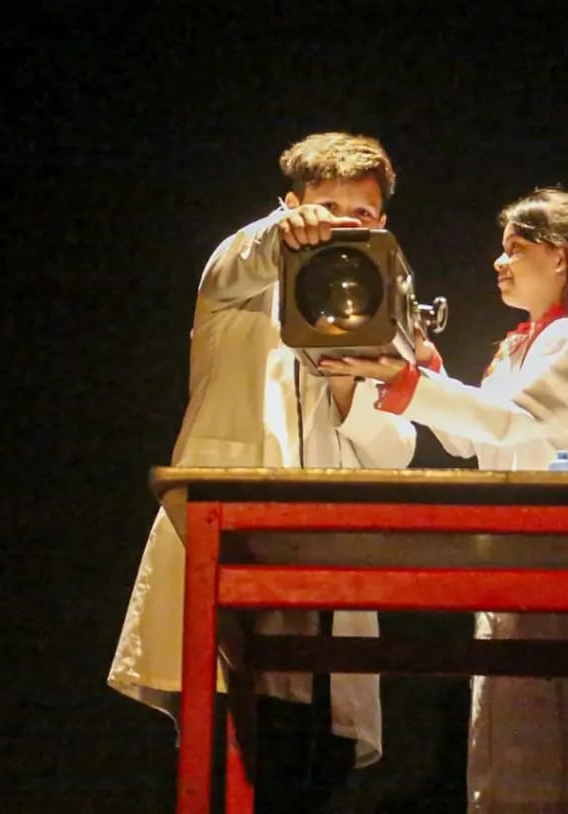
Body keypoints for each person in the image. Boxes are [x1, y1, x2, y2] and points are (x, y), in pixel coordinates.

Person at [107, 132, 417, 813]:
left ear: (382, 222)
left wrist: (348, 391)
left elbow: (397, 449)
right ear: (292, 204)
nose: (342, 227)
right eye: (325, 208)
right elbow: (239, 260)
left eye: (361, 215)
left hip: (328, 573)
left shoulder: (379, 305)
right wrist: (282, 234)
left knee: (318, 765)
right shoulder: (242, 276)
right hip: (232, 555)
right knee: (227, 766)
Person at [321, 187, 568, 813]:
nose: (500, 261)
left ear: (561, 259)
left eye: (516, 249)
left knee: (560, 731)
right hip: (516, 560)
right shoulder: (519, 345)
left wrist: (412, 381)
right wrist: (425, 369)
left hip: (561, 563)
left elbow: (507, 420)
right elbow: (469, 437)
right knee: (505, 726)